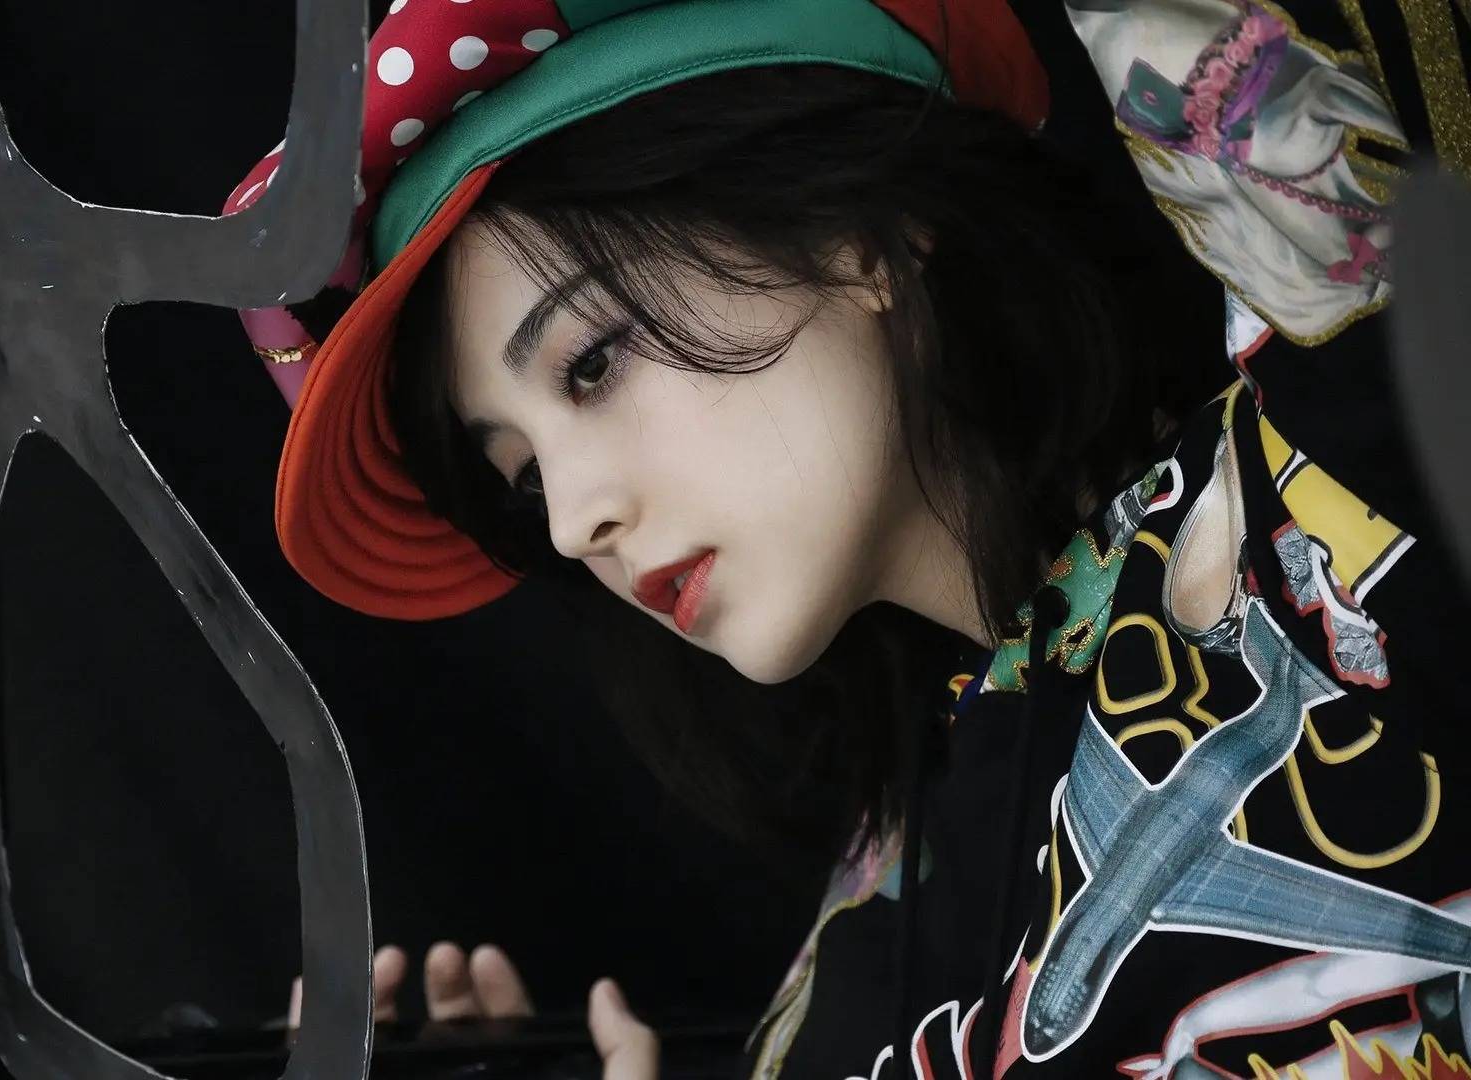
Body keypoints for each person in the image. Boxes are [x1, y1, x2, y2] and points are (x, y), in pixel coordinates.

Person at [224, 0, 1471, 1076]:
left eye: (593, 362)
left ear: (858, 237)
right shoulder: (844, 981)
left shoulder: (1329, 489)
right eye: (521, 472)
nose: (569, 518)